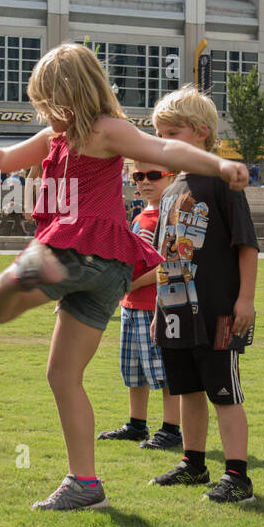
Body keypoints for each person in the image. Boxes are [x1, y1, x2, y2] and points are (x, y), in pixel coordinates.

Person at [0, 44, 248, 511]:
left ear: (71, 93)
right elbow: (2, 158)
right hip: (109, 274)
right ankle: (85, 483)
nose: (47, 113)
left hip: (79, 248)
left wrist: (218, 164)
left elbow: (163, 148)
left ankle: (35, 270)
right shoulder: (57, 136)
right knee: (62, 375)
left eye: (51, 103)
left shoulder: (103, 130)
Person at [147, 88, 259, 503]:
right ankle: (193, 463)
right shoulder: (171, 188)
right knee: (187, 392)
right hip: (175, 311)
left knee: (223, 393)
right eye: (157, 134)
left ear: (199, 132)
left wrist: (245, 300)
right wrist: (160, 307)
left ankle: (238, 476)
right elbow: (165, 254)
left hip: (217, 312)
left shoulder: (221, 180)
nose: (162, 141)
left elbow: (246, 245)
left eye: (170, 132)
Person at [97, 161, 182, 450]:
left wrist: (131, 284)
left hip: (156, 305)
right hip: (131, 304)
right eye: (139, 176)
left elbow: (169, 265)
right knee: (133, 369)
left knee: (164, 372)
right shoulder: (141, 213)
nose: (145, 181)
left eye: (154, 175)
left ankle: (171, 429)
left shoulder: (171, 215)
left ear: (173, 176)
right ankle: (136, 424)